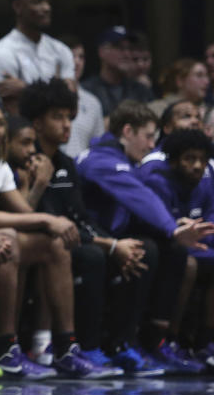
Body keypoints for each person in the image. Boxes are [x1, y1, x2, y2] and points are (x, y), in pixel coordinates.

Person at [0, 98, 106, 378]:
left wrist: (39, 188)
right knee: (9, 238)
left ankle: (66, 347)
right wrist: (46, 218)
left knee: (54, 244)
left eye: (0, 123)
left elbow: (25, 213)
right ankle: (4, 346)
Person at [77, 100, 214, 373]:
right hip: (88, 240)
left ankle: (152, 341)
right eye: (149, 136)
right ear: (128, 131)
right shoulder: (100, 159)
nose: (153, 145)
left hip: (109, 237)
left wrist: (175, 225)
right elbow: (137, 195)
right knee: (143, 250)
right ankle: (107, 344)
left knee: (166, 250)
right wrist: (171, 227)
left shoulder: (125, 160)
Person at [20, 78, 141, 376]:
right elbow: (48, 221)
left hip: (72, 237)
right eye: (57, 117)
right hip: (41, 241)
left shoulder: (66, 162)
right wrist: (110, 245)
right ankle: (78, 346)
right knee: (93, 256)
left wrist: (115, 242)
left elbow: (79, 216)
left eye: (69, 117)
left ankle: (121, 344)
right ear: (37, 122)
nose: (66, 125)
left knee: (141, 250)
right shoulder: (26, 160)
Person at [139, 129, 214, 374]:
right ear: (173, 160)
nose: (197, 166)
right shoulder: (157, 179)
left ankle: (205, 342)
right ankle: (167, 340)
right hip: (162, 247)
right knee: (186, 263)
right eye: (189, 159)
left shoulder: (205, 183)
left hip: (198, 246)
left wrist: (201, 234)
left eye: (202, 160)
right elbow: (158, 224)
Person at [0, 0, 74, 115]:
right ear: (17, 6)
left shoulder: (61, 50)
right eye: (37, 2)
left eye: (47, 1)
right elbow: (16, 113)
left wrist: (26, 90)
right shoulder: (4, 51)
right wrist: (58, 94)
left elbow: (72, 108)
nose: (46, 8)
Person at [82, 26, 154, 118]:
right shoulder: (87, 90)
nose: (127, 54)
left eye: (129, 49)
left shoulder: (140, 90)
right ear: (102, 52)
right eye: (120, 48)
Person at [58, 34, 104, 157]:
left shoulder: (93, 102)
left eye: (81, 57)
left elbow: (98, 148)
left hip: (81, 172)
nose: (77, 62)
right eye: (71, 56)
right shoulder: (43, 98)